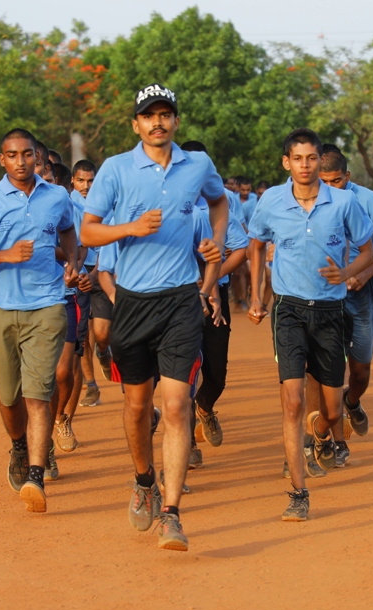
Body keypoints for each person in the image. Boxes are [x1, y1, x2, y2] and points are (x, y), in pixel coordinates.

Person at [81, 83, 228, 551]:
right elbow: (88, 231)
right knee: (137, 407)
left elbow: (219, 201)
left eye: (165, 114)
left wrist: (216, 243)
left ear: (176, 122)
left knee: (179, 406)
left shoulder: (197, 166)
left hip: (182, 301)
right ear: (136, 124)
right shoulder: (116, 169)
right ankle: (144, 479)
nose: (157, 122)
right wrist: (130, 228)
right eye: (149, 115)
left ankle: (171, 513)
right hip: (132, 302)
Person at [246, 128, 373, 522]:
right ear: (287, 162)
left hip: (330, 313)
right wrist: (256, 295)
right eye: (297, 159)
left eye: (311, 158)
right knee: (294, 401)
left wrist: (349, 272)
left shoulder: (342, 202)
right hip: (288, 309)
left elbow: (368, 248)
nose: (305, 165)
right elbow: (255, 243)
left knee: (333, 411)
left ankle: (320, 437)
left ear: (321, 161)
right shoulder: (271, 201)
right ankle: (298, 493)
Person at [0, 129, 79, 514]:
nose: (21, 162)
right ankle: (19, 446)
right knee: (10, 398)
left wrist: (72, 262)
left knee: (37, 394)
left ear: (37, 157)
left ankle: (37, 475)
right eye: (13, 155)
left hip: (46, 305)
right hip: (0, 306)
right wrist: (4, 255)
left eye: (28, 154)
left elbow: (69, 233)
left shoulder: (56, 196)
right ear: (2, 160)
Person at [305, 145, 373, 469]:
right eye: (324, 181)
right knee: (322, 371)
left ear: (348, 176)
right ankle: (329, 442)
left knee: (359, 370)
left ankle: (353, 401)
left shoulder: (368, 200)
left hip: (360, 294)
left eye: (337, 181)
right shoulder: (305, 200)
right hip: (321, 295)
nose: (330, 188)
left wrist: (364, 273)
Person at [179, 140, 249, 461]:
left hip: (214, 295)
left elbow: (240, 250)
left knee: (216, 373)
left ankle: (206, 407)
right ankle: (187, 444)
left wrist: (210, 283)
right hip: (178, 296)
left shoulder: (218, 207)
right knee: (185, 372)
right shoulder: (169, 206)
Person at [48, 163, 92, 459]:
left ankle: (63, 420)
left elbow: (81, 247)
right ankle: (40, 449)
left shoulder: (70, 207)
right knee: (37, 377)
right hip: (28, 300)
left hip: (69, 293)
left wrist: (73, 266)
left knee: (65, 369)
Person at [71, 160, 103, 408]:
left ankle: (104, 351)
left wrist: (97, 270)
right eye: (81, 180)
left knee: (101, 332)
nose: (86, 185)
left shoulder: (103, 202)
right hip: (78, 275)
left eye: (91, 180)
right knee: (82, 334)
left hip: (103, 270)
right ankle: (91, 385)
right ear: (72, 180)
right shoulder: (67, 204)